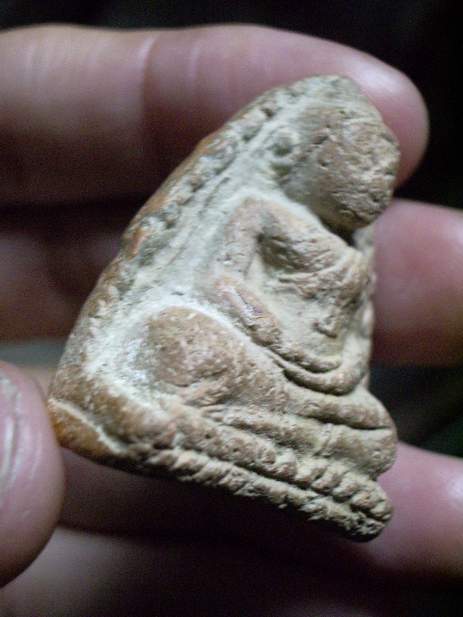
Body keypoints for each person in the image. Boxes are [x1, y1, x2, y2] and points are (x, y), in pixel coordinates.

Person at [0, 24, 462, 615]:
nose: (374, 185)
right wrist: (266, 331)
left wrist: (336, 372)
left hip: (302, 382)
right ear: (298, 155)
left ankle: (202, 431)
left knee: (373, 438)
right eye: (360, 164)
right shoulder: (259, 209)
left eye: (383, 174)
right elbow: (218, 279)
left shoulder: (353, 255)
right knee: (184, 339)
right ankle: (172, 421)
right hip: (245, 347)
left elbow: (347, 341)